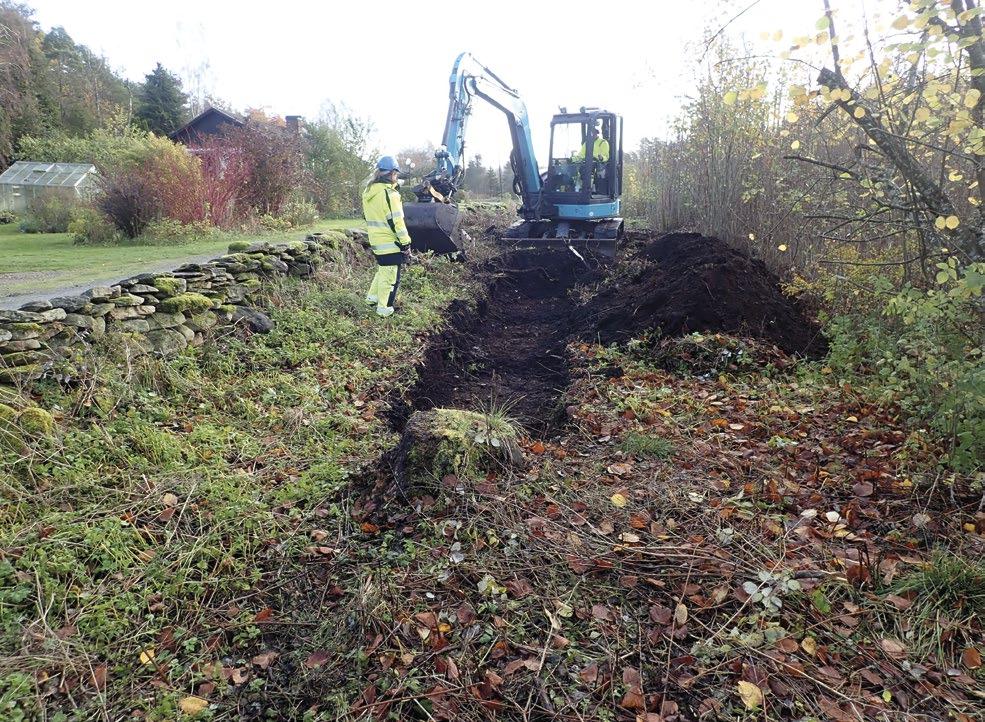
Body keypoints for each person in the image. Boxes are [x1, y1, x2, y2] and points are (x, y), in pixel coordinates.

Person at [362, 156, 412, 317]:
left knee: (383, 270)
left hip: (376, 241)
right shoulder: (390, 194)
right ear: (391, 174)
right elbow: (397, 222)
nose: (396, 177)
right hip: (390, 242)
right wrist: (406, 243)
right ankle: (384, 309)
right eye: (396, 174)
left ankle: (372, 298)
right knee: (390, 277)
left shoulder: (369, 192)